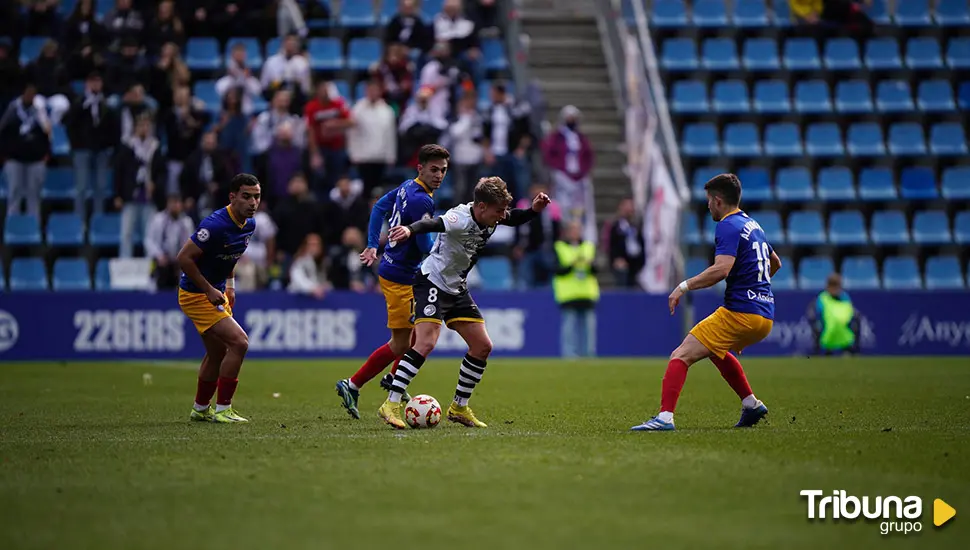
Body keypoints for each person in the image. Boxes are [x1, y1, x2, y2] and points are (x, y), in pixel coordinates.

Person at [383, 177, 551, 429]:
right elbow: (432, 223)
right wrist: (409, 230)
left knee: (482, 346)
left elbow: (514, 217)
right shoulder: (459, 218)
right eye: (498, 211)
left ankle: (459, 407)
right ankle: (391, 403)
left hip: (456, 287)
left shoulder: (492, 214)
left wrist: (533, 211)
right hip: (432, 281)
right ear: (481, 206)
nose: (502, 215)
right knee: (426, 342)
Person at [631, 173, 780, 432]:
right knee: (714, 349)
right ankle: (751, 404)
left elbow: (721, 270)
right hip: (764, 314)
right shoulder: (754, 225)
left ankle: (665, 418)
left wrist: (683, 286)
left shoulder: (727, 225)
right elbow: (775, 263)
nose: (708, 205)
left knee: (681, 355)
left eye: (709, 200)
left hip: (741, 312)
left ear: (719, 200)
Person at [333, 144, 448, 420]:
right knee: (405, 343)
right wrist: (444, 244)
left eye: (443, 170)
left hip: (395, 271)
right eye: (434, 169)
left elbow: (379, 208)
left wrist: (373, 244)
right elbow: (423, 244)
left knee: (414, 337)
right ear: (420, 168)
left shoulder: (408, 186)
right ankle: (353, 384)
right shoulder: (422, 200)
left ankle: (394, 378)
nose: (439, 175)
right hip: (402, 278)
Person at [176, 173, 261, 424]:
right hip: (196, 295)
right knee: (240, 343)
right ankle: (224, 409)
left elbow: (230, 256)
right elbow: (183, 258)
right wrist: (208, 290)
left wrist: (230, 286)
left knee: (218, 353)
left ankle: (201, 408)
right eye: (246, 196)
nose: (252, 202)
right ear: (232, 197)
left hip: (216, 291)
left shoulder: (249, 224)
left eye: (256, 196)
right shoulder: (214, 225)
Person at [553, 220, 599, 359]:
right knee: (569, 327)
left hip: (587, 293)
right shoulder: (559, 247)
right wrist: (572, 264)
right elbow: (556, 270)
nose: (575, 233)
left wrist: (589, 264)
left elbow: (596, 270)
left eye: (577, 229)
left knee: (588, 328)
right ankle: (570, 355)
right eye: (572, 229)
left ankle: (588, 354)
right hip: (568, 294)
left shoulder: (588, 246)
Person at [808, 273, 860, 355]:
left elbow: (852, 314)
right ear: (827, 286)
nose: (834, 289)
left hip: (845, 335)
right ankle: (821, 352)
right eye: (832, 285)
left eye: (836, 285)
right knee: (817, 326)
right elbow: (815, 314)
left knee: (856, 323)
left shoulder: (845, 298)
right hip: (827, 336)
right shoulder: (822, 298)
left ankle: (850, 351)